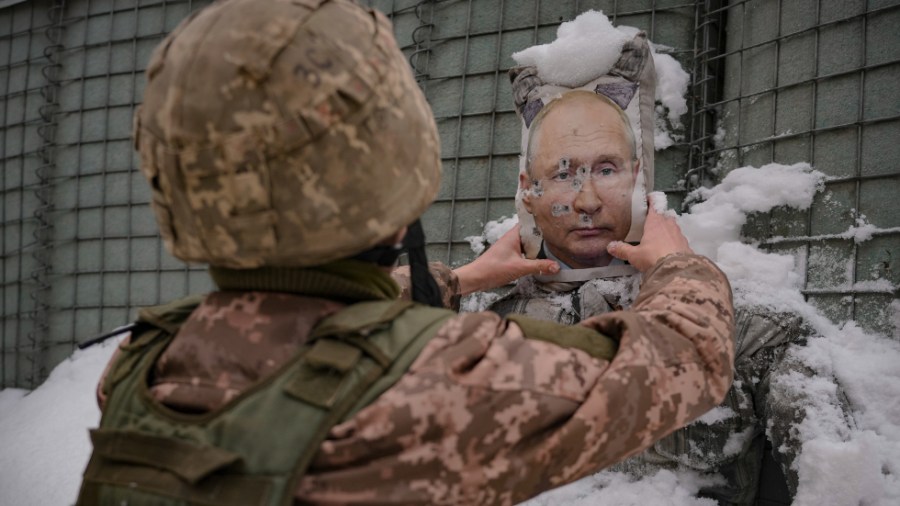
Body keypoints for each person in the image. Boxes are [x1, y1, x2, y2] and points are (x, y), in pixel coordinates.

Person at [75, 0, 736, 505]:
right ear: (396, 157)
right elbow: (684, 361)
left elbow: (298, 327)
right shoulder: (444, 380)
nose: (586, 198)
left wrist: (452, 282)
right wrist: (680, 265)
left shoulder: (142, 360)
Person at [481, 88, 854, 504]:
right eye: (563, 174)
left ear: (637, 178)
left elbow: (842, 486)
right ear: (529, 190)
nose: (587, 201)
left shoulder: (753, 327)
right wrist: (460, 283)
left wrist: (682, 274)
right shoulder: (478, 327)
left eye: (606, 170)